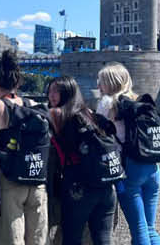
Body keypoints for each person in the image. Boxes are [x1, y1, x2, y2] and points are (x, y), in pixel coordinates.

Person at [95, 63, 160, 245]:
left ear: (109, 83)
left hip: (130, 169)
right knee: (149, 229)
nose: (98, 86)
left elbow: (98, 137)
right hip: (152, 168)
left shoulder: (107, 104)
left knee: (140, 230)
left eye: (101, 81)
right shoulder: (138, 101)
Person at [0, 50, 49, 245]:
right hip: (37, 178)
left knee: (10, 237)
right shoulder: (33, 105)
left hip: (10, 180)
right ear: (17, 82)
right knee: (37, 237)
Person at [48, 75, 118, 245]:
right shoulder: (89, 114)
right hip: (106, 185)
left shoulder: (56, 113)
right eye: (49, 91)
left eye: (56, 91)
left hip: (78, 186)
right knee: (103, 239)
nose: (51, 95)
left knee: (72, 239)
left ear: (67, 92)